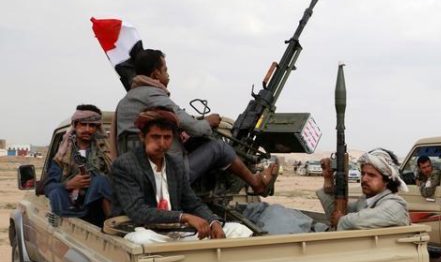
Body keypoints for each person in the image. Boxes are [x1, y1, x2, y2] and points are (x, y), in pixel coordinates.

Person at [115, 49, 277, 194]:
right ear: (155, 75)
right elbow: (196, 128)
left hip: (137, 175)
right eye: (165, 70)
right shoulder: (153, 95)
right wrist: (208, 122)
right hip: (167, 176)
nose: (168, 75)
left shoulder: (124, 102)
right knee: (219, 147)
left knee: (194, 142)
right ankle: (256, 183)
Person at [110, 107, 251, 242]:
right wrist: (183, 217)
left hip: (176, 232)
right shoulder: (125, 165)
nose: (162, 143)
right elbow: (138, 211)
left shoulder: (175, 164)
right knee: (142, 239)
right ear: (142, 137)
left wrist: (213, 222)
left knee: (239, 230)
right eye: (155, 137)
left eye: (167, 137)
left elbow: (192, 202)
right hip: (143, 230)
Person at [44, 105, 112, 225]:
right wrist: (69, 184)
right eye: (83, 124)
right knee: (57, 192)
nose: (87, 129)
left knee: (101, 182)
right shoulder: (62, 156)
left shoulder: (106, 153)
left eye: (92, 125)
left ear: (97, 128)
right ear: (75, 125)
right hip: (72, 213)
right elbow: (49, 187)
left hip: (99, 214)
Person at [317, 148, 410, 230]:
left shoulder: (396, 205)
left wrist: (342, 220)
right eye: (363, 173)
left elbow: (361, 219)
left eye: (371, 175)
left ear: (387, 181)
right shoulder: (364, 201)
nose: (364, 179)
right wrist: (328, 179)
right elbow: (335, 214)